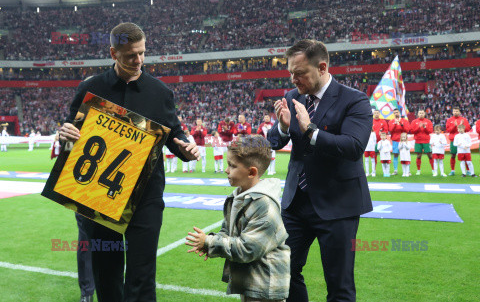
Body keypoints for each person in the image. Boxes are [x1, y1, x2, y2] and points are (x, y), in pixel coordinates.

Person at [56, 22, 199, 302]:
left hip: (146, 196)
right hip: (99, 195)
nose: (139, 61)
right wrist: (66, 136)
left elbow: (175, 134)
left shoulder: (160, 92)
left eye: (142, 53)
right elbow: (73, 137)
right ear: (113, 53)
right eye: (131, 55)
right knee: (106, 272)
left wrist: (185, 147)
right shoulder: (90, 88)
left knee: (142, 272)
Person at [267, 39, 373, 302]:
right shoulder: (293, 97)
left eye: (299, 73)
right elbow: (275, 141)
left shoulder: (355, 100)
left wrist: (310, 130)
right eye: (290, 72)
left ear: (322, 67)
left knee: (339, 286)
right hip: (296, 203)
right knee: (283, 271)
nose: (293, 79)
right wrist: (282, 127)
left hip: (337, 205)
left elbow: (353, 147)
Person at [185, 135, 290, 302]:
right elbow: (227, 231)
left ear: (251, 172)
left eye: (232, 166)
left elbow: (248, 249)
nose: (227, 170)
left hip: (266, 287)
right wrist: (210, 242)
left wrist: (210, 242)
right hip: (250, 281)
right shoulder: (237, 196)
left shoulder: (264, 205)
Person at [445, 106, 471, 175]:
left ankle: (468, 170)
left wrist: (462, 126)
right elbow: (448, 130)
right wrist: (454, 126)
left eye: (457, 111)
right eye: (454, 111)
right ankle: (452, 170)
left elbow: (468, 129)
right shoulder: (449, 120)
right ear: (452, 112)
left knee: (465, 156)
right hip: (454, 140)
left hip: (463, 141)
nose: (455, 112)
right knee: (453, 155)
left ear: (459, 112)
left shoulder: (464, 120)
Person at [410, 110, 434, 175]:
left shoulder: (428, 121)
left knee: (430, 155)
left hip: (426, 141)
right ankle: (418, 170)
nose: (421, 114)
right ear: (418, 114)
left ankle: (433, 170)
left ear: (424, 114)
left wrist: (425, 127)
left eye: (422, 113)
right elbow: (412, 131)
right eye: (420, 113)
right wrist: (418, 127)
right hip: (418, 141)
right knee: (418, 156)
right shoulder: (414, 122)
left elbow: (430, 131)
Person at [388, 108, 410, 175]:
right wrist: (395, 124)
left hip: (404, 140)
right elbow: (390, 130)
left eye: (397, 112)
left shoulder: (405, 121)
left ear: (399, 113)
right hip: (395, 140)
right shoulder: (391, 121)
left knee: (406, 155)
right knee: (395, 155)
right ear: (393, 114)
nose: (396, 114)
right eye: (394, 113)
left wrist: (400, 123)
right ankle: (395, 170)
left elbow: (407, 130)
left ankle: (407, 171)